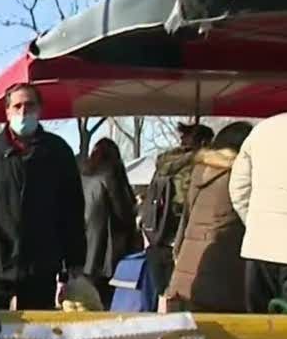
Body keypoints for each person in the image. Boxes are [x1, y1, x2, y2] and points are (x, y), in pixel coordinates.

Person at [0, 83, 86, 310]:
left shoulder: (58, 152)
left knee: (38, 329)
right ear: (7, 111)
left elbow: (72, 210)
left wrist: (75, 258)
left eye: (29, 105)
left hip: (41, 264)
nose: (23, 111)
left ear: (39, 109)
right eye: (17, 106)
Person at [230, 71, 287, 313]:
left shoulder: (264, 128)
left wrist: (259, 225)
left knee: (261, 329)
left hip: (260, 248)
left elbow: (238, 189)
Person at [165, 122, 254, 313]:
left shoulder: (199, 170)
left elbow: (186, 219)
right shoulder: (240, 174)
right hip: (222, 275)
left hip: (186, 271)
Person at [140, 122, 214, 301]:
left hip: (157, 237)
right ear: (204, 142)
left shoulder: (164, 164)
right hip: (183, 240)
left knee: (163, 296)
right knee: (183, 296)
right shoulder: (198, 167)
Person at [80, 138, 140, 309]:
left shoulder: (83, 178)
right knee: (109, 305)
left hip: (84, 251)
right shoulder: (112, 176)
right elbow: (124, 214)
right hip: (109, 253)